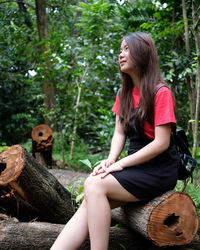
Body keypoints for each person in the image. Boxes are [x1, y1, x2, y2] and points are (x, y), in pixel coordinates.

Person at [50, 32, 179, 250]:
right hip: (135, 165)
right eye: (120, 50)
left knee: (93, 184)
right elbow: (119, 133)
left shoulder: (160, 92)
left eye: (127, 49)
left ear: (142, 54)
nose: (121, 54)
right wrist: (111, 161)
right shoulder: (124, 93)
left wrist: (120, 164)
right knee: (91, 198)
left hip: (158, 169)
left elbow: (161, 143)